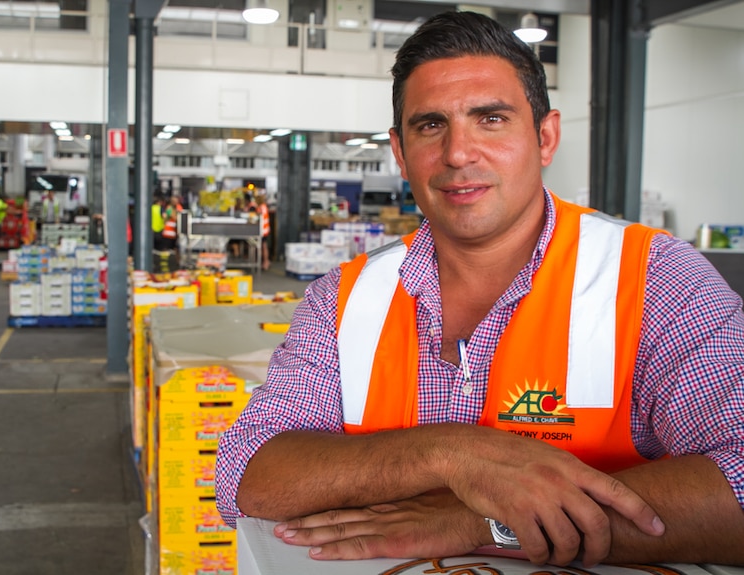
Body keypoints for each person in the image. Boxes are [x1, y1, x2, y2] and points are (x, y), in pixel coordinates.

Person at [215, 10, 744, 568]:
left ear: (545, 137)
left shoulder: (654, 280)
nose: (459, 153)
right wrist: (452, 455)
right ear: (400, 152)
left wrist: (479, 522)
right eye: (430, 125)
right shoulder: (344, 300)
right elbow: (248, 474)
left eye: (490, 119)